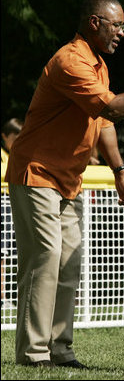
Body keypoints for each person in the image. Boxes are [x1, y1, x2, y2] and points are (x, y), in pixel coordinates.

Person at [4, 0, 124, 368]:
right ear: (95, 23)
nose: (122, 33)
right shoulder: (71, 61)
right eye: (117, 25)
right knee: (46, 257)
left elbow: (103, 123)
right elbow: (113, 107)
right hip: (36, 173)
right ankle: (33, 355)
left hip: (66, 178)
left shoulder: (98, 64)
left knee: (69, 262)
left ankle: (59, 350)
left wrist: (120, 173)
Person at [1, 118, 24, 309]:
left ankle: (9, 295)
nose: (17, 141)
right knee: (1, 253)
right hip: (3, 207)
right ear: (4, 136)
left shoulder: (13, 155)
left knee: (11, 253)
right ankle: (2, 297)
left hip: (13, 206)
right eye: (14, 137)